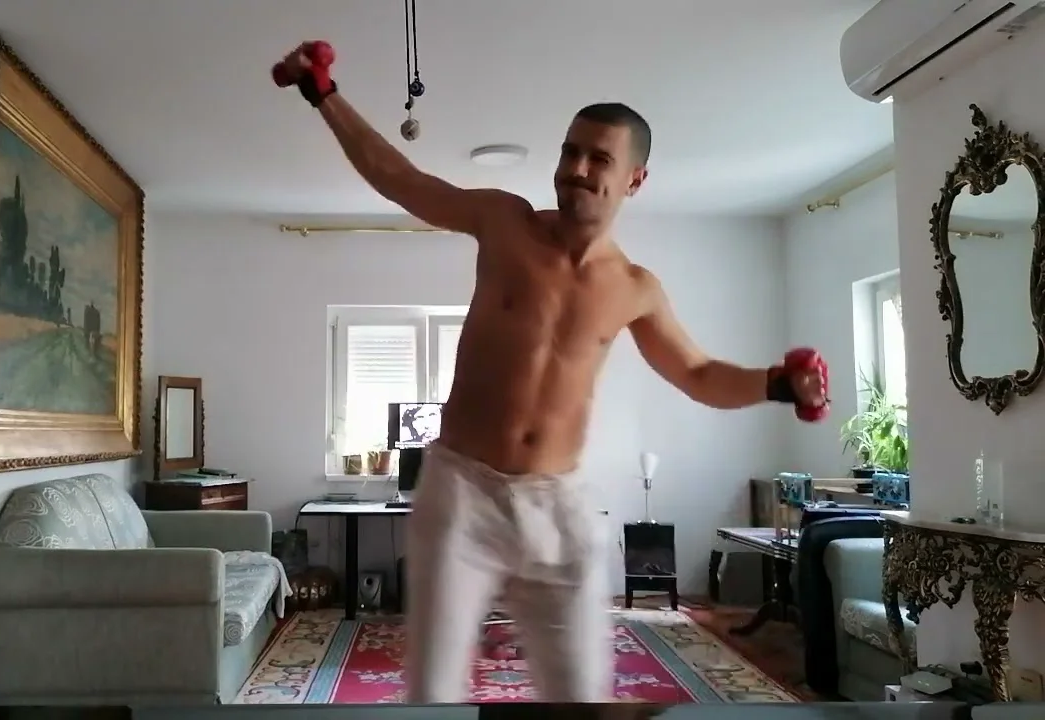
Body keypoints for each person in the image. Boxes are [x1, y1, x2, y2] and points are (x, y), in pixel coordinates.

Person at [273, 43, 829, 703]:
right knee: (432, 692)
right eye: (569, 152)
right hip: (460, 492)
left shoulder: (635, 288)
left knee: (581, 694)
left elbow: (698, 373)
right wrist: (324, 93)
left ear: (635, 179)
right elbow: (402, 179)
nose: (576, 170)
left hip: (555, 504)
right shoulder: (504, 222)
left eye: (599, 158)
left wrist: (775, 384)